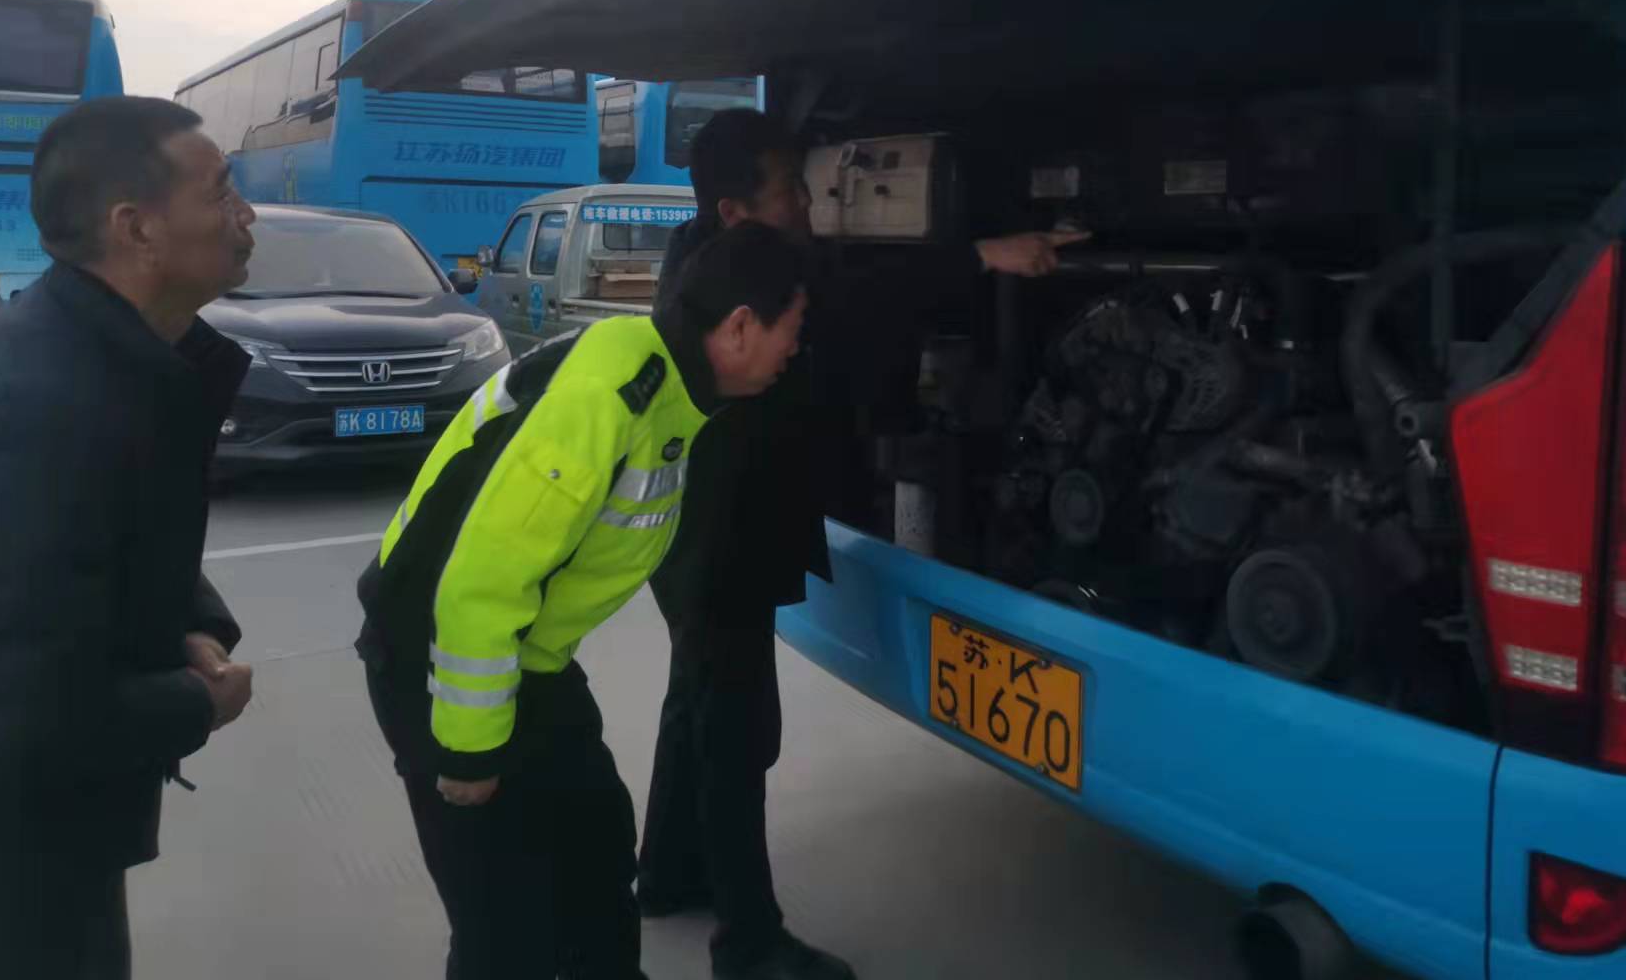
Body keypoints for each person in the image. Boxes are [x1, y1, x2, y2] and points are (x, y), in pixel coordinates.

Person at [638, 109, 1083, 980]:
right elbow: (862, 290)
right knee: (736, 733)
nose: (808, 207)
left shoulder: (695, 257)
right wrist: (989, 256)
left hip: (693, 539)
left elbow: (847, 280)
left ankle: (666, 871)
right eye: (789, 193)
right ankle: (749, 943)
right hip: (724, 540)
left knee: (695, 699)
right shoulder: (746, 288)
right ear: (734, 212)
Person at [356, 221, 809, 980]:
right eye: (792, 328)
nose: (795, 348)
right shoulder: (609, 393)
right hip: (439, 659)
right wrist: (470, 751)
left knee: (596, 847)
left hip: (530, 656)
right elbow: (481, 581)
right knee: (504, 922)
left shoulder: (670, 391)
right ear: (738, 327)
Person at [0, 96, 259, 978]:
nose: (247, 214)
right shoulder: (49, 404)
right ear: (136, 228)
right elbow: (21, 704)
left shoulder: (113, 355)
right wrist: (198, 701)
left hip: (54, 820)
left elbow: (112, 545)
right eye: (221, 192)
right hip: (15, 838)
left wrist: (193, 621)